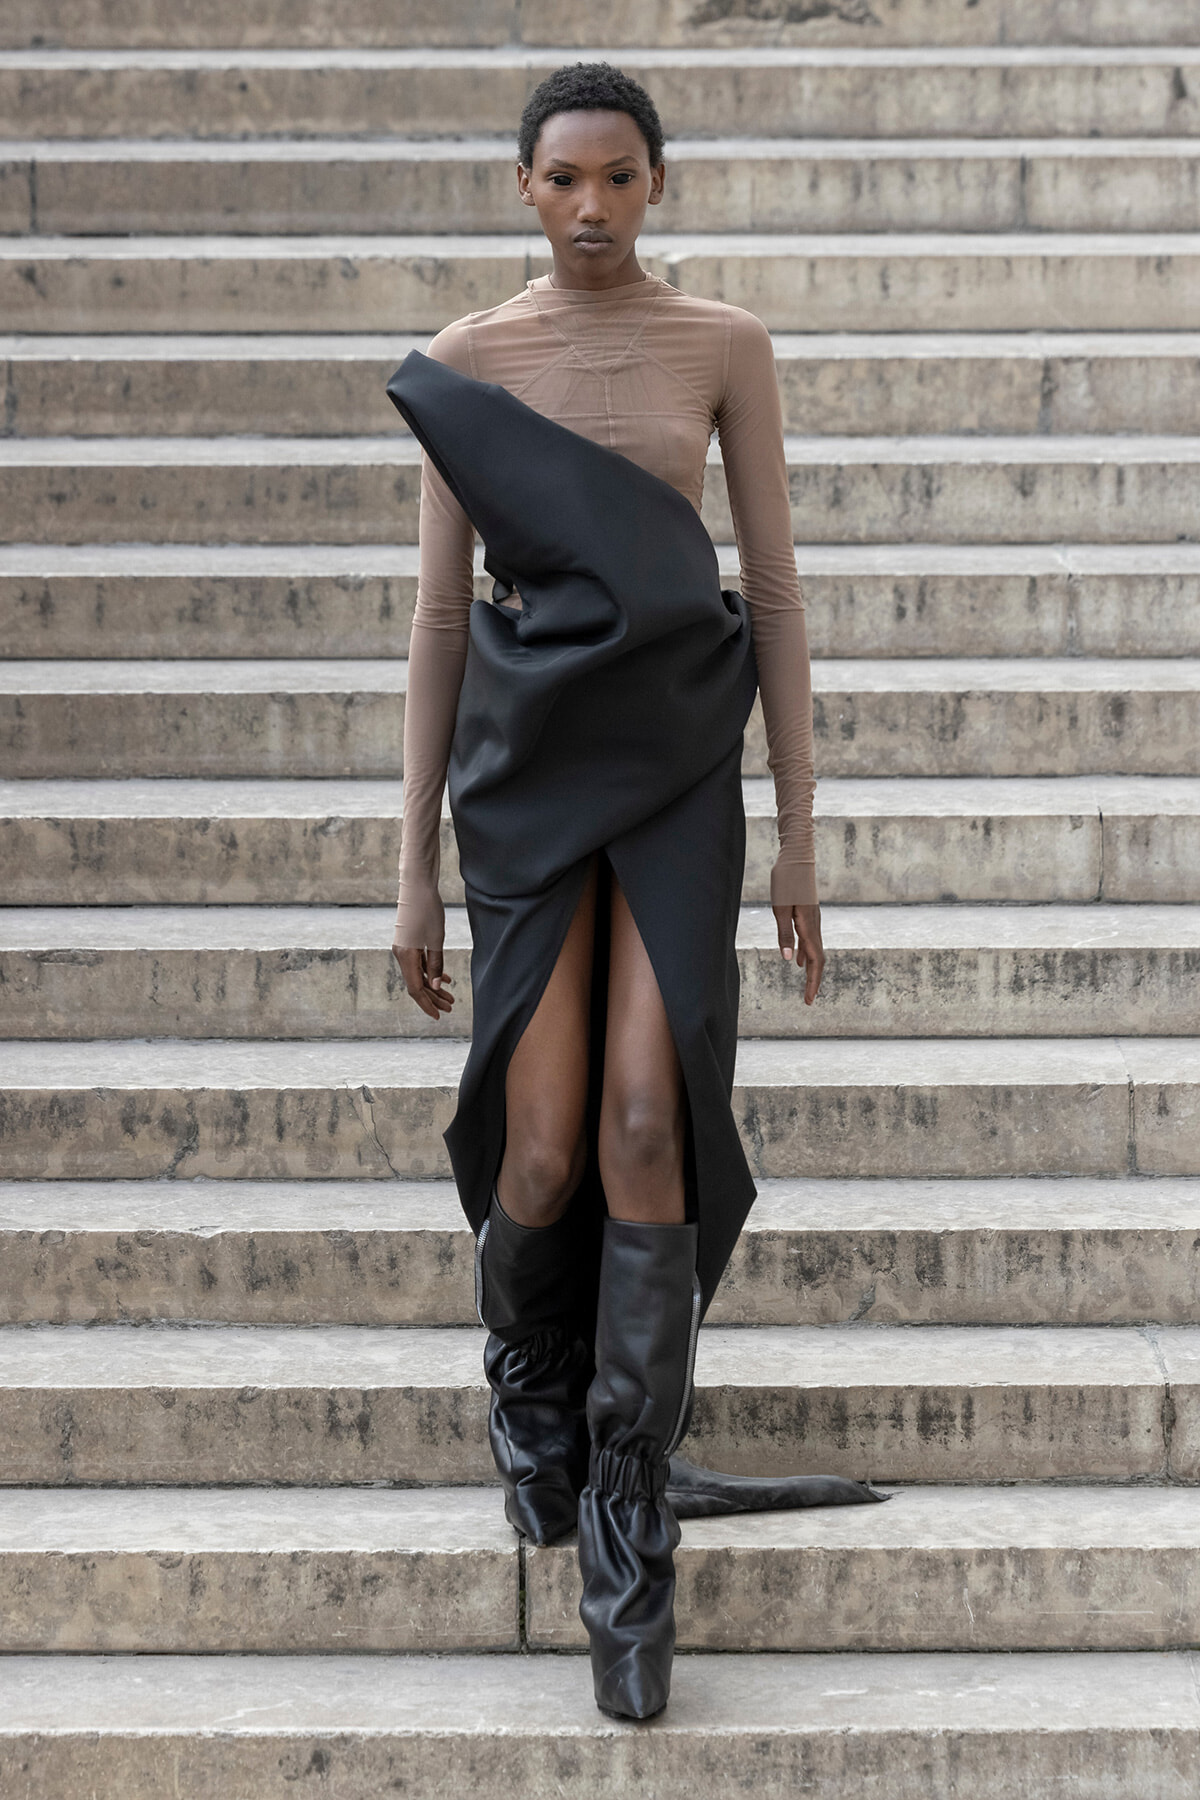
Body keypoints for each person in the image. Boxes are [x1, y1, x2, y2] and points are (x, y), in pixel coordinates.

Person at [390, 62, 883, 1724]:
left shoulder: (724, 344)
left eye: (618, 176)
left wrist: (799, 826)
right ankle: (531, 1396)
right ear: (524, 189)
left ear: (657, 182)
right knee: (539, 1144)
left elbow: (777, 591)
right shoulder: (470, 362)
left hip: (674, 762)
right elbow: (442, 621)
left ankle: (626, 1521)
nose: (590, 206)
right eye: (563, 179)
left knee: (648, 1119)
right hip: (527, 773)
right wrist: (410, 867)